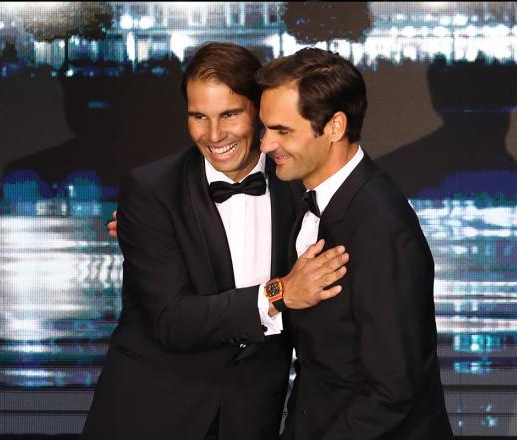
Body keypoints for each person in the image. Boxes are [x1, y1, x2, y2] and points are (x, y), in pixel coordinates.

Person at [82, 43, 348, 440]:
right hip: (151, 414)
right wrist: (278, 294)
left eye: (230, 114)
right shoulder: (151, 192)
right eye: (198, 117)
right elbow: (172, 321)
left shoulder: (301, 187)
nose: (214, 134)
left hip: (252, 414)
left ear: (260, 110)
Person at [256, 48, 453, 439]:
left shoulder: (381, 227)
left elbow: (393, 390)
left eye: (282, 131)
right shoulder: (306, 197)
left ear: (334, 126)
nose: (264, 145)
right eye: (265, 129)